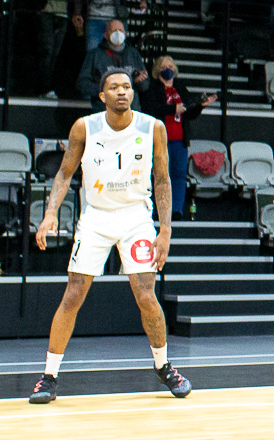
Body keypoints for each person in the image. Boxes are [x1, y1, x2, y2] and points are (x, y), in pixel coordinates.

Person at [27, 70, 192, 404]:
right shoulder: (84, 127)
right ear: (102, 95)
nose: (122, 92)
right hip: (97, 217)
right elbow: (64, 173)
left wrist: (165, 230)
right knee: (73, 293)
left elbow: (163, 180)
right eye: (114, 87)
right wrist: (50, 213)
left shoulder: (152, 128)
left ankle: (164, 367)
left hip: (136, 217)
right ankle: (48, 377)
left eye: (127, 87)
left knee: (146, 294)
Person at [137, 57, 214, 220]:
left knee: (178, 175)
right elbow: (150, 108)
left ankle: (176, 209)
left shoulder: (180, 87)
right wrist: (173, 108)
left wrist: (201, 106)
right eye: (164, 66)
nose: (167, 69)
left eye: (170, 66)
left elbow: (189, 112)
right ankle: (159, 209)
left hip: (179, 139)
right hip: (160, 139)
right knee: (160, 175)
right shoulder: (153, 88)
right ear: (157, 70)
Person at [80, 19, 147, 97]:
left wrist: (139, 81)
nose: (118, 33)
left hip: (129, 106)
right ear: (106, 35)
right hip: (106, 106)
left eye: (121, 30)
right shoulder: (95, 54)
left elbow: (145, 85)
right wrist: (105, 88)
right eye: (114, 30)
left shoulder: (133, 53)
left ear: (125, 34)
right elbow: (82, 84)